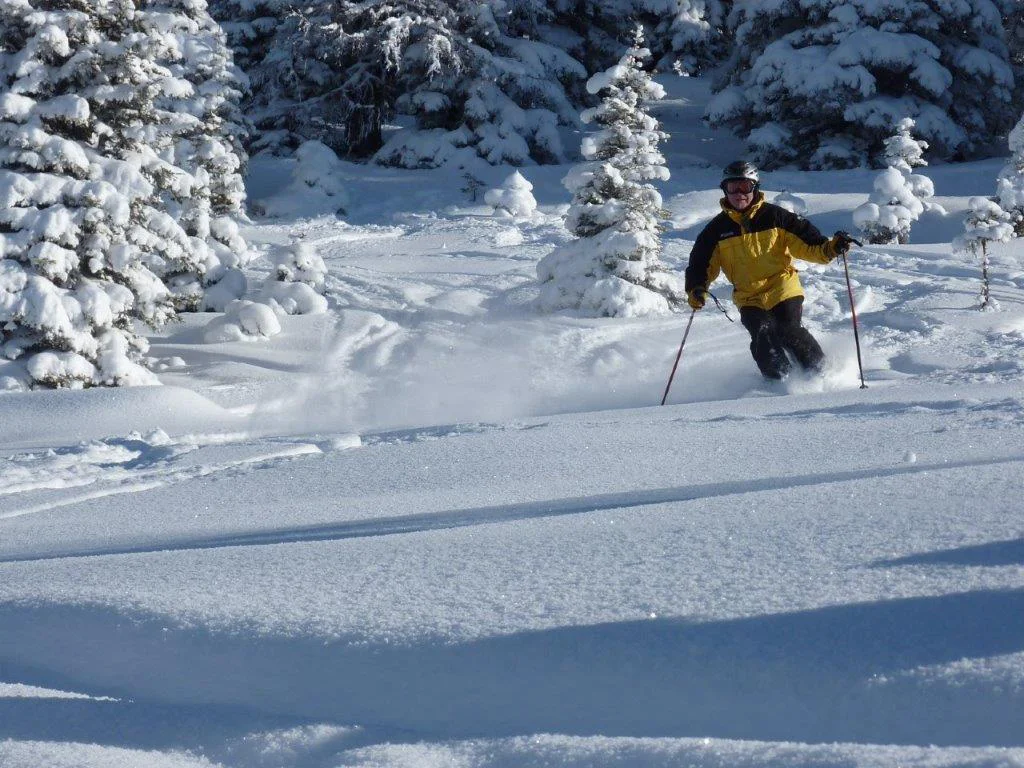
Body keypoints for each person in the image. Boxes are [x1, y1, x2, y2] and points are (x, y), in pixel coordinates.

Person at [684, 160, 855, 380]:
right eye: (732, 187)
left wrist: (832, 247)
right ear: (724, 190)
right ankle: (779, 384)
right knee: (762, 333)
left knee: (787, 329)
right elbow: (700, 264)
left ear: (755, 187)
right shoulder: (715, 231)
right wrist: (696, 288)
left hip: (782, 287)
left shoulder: (776, 217)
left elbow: (810, 245)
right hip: (748, 296)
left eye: (744, 186)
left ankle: (822, 373)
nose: (739, 194)